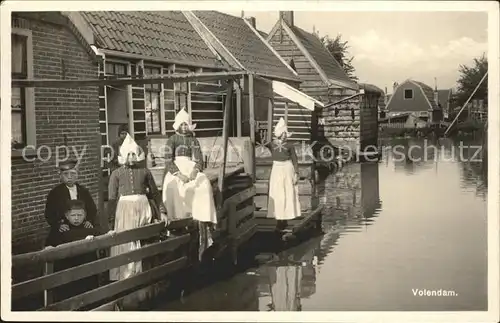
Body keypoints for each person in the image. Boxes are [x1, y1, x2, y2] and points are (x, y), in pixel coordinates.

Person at [107, 133, 168, 281]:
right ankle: (125, 275)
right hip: (125, 210)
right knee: (126, 240)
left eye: (133, 154)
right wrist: (110, 221)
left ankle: (144, 273)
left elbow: (154, 193)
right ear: (122, 156)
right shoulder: (116, 174)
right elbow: (112, 199)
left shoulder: (145, 172)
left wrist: (162, 212)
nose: (131, 158)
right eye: (128, 155)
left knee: (143, 238)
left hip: (142, 208)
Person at [161, 109, 217, 258]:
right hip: (177, 168)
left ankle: (201, 214)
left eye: (187, 125)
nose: (185, 128)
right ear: (178, 125)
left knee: (203, 183)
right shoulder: (172, 139)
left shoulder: (193, 140)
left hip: (190, 166)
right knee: (173, 186)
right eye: (182, 125)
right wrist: (178, 174)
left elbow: (199, 159)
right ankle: (178, 217)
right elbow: (167, 159)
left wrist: (195, 171)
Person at [45, 200, 114, 302]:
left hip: (87, 268)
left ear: (85, 215)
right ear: (67, 216)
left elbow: (101, 234)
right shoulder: (61, 229)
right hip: (68, 268)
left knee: (88, 291)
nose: (76, 218)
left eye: (79, 215)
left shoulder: (89, 227)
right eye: (73, 215)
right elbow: (50, 243)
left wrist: (108, 234)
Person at [44, 159, 98, 237]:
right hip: (65, 227)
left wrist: (89, 221)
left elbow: (92, 209)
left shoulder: (83, 191)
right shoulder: (55, 193)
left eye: (72, 174)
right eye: (66, 174)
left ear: (77, 175)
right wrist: (58, 225)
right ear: (61, 176)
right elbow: (49, 214)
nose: (69, 177)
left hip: (82, 225)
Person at [267, 117, 301, 231]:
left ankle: (285, 219)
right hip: (276, 169)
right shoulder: (272, 144)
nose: (285, 136)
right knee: (278, 193)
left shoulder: (290, 146)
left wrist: (296, 173)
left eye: (286, 134)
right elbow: (264, 142)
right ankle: (278, 219)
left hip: (287, 168)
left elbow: (294, 159)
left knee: (287, 193)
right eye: (283, 134)